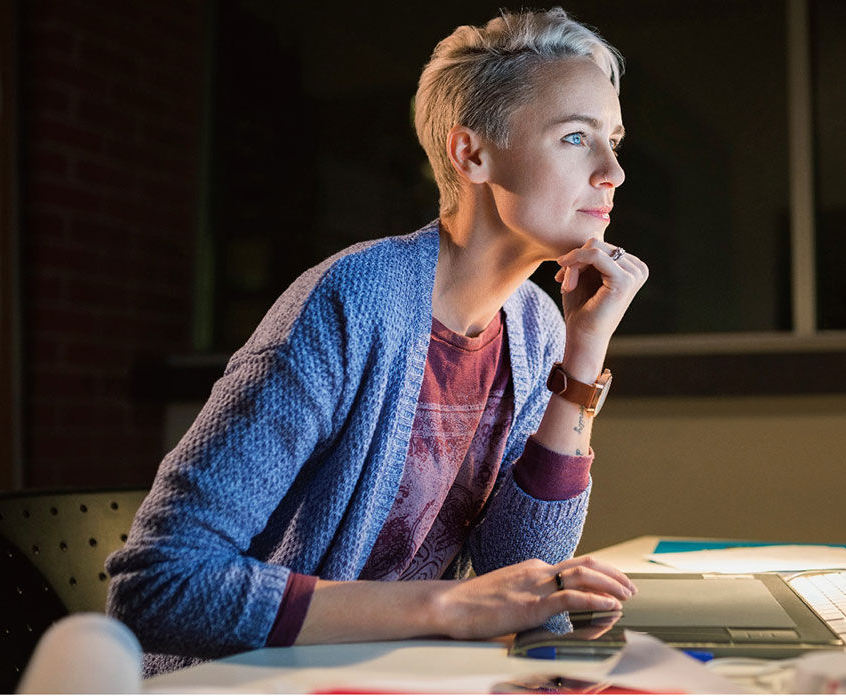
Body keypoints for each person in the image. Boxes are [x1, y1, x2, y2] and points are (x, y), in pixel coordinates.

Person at [106, 7, 648, 676]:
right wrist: (445, 608)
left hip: (391, 677)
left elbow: (513, 569)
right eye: (576, 138)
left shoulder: (535, 328)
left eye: (614, 141)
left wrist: (582, 356)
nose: (613, 173)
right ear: (471, 153)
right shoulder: (350, 303)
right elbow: (157, 586)